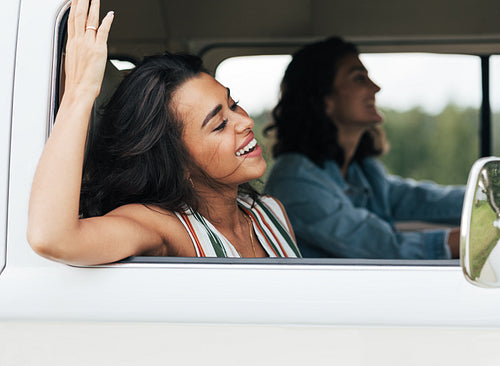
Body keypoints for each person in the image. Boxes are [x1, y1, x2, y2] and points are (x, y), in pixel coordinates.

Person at [27, 0, 300, 265]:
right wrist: (80, 90)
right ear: (177, 160)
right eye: (219, 125)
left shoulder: (270, 212)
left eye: (233, 105)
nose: (245, 122)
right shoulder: (165, 228)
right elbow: (52, 238)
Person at [264, 36, 465, 259]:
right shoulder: (293, 181)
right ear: (323, 98)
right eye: (359, 78)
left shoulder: (361, 171)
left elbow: (424, 199)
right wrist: (480, 239)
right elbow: (383, 247)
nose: (375, 88)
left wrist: (490, 198)